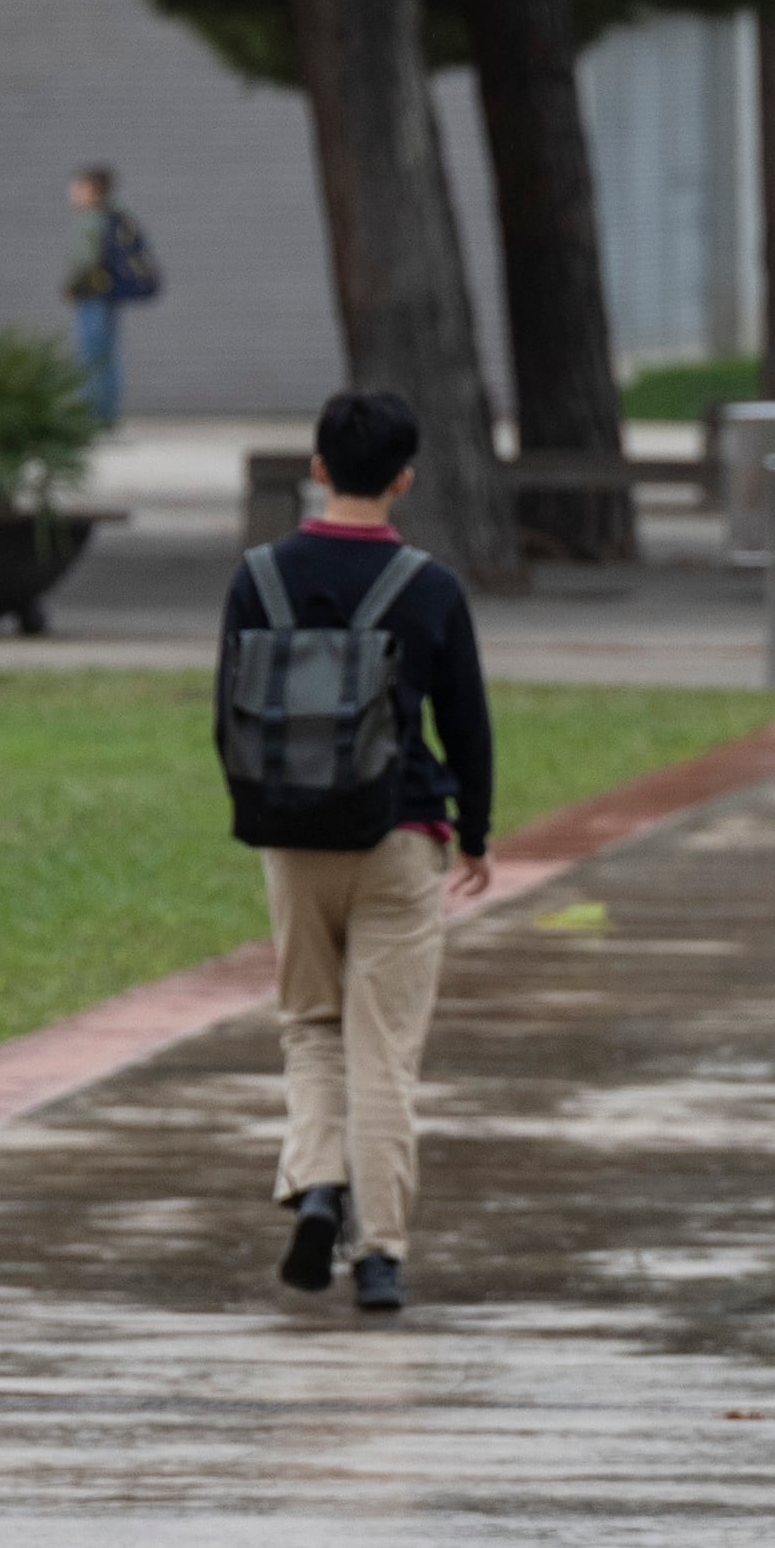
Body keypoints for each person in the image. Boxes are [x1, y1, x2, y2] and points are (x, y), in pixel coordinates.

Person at [216, 388, 494, 1318]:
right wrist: (478, 834)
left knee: (308, 1025)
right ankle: (380, 1254)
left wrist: (267, 809)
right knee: (385, 1050)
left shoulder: (258, 575)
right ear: (405, 479)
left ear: (319, 466)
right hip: (401, 837)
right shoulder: (430, 586)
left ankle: (319, 1185)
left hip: (293, 840)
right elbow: (468, 727)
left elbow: (228, 715)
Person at [59, 164, 160, 429]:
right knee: (107, 356)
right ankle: (106, 414)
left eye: (78, 186)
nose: (72, 191)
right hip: (109, 294)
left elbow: (85, 261)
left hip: (92, 295)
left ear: (92, 190)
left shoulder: (91, 219)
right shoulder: (114, 216)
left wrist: (71, 288)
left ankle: (90, 416)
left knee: (92, 356)